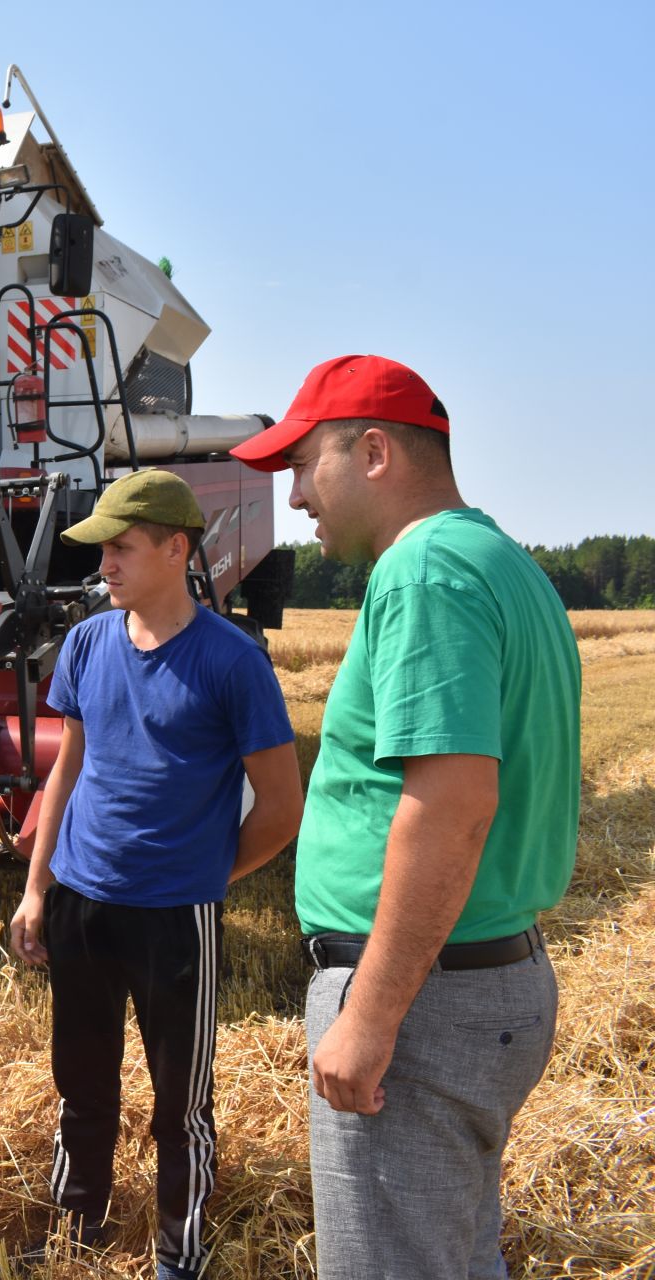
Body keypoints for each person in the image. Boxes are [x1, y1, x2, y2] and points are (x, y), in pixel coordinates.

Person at [231, 355, 581, 1280]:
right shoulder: (502, 560)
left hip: (425, 1004)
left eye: (304, 465)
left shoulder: (423, 571)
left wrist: (372, 1014)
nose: (297, 496)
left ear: (374, 451)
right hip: (483, 977)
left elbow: (453, 807)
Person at [6, 469, 303, 1280]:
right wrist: (37, 890)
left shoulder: (231, 662)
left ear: (176, 548)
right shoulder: (89, 643)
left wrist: (206, 876)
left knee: (181, 1107)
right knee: (83, 1087)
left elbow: (281, 806)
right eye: (101, 548)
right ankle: (77, 1230)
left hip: (176, 919)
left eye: (121, 546)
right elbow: (65, 772)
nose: (105, 563)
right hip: (80, 904)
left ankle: (181, 1252)